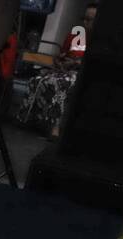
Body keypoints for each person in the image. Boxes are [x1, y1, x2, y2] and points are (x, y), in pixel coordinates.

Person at [15, 2, 97, 138]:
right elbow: (63, 53)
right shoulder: (77, 34)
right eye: (84, 18)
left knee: (62, 84)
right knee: (37, 80)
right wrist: (60, 60)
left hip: (81, 74)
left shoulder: (99, 40)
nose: (85, 22)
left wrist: (76, 63)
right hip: (65, 71)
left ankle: (55, 126)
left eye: (89, 20)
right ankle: (28, 118)